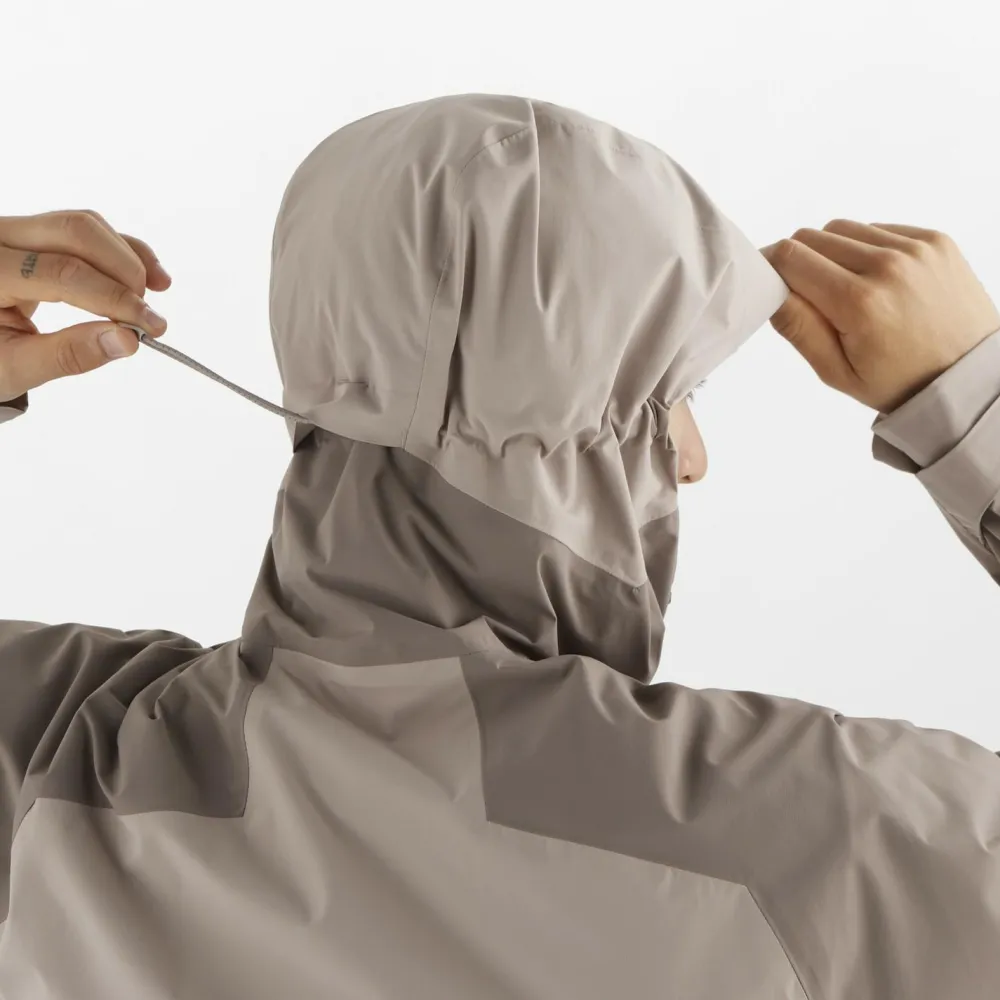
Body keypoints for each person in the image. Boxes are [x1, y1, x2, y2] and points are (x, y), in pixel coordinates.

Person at [1, 94, 998, 1000]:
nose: (692, 460)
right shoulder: (832, 835)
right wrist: (972, 404)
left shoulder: (60, 749)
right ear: (588, 445)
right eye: (675, 400)